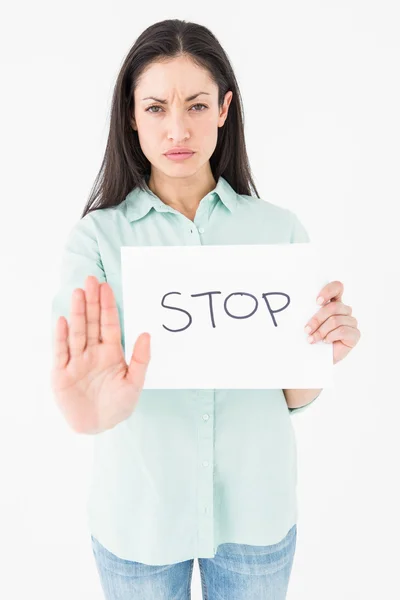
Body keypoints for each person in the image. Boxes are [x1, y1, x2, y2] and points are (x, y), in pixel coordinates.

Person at [51, 18, 358, 600]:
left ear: (224, 109)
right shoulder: (96, 240)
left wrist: (322, 355)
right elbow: (83, 394)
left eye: (196, 106)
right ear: (131, 116)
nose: (177, 129)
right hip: (139, 515)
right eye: (156, 108)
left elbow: (291, 396)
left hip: (256, 514)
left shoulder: (279, 230)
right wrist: (91, 411)